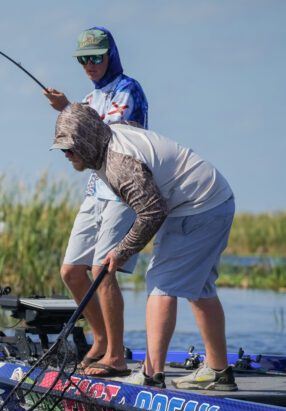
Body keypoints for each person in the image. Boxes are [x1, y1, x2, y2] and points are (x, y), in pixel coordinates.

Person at [51, 103, 237, 391]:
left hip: (197, 206)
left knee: (160, 284)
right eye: (62, 148)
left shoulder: (119, 166)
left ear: (88, 141)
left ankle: (151, 375)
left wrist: (121, 251)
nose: (66, 154)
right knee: (201, 289)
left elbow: (152, 212)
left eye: (70, 147)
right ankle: (218, 371)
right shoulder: (109, 135)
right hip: (214, 198)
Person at [43, 27, 148, 377]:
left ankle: (116, 356)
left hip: (123, 190)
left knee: (103, 270)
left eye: (95, 57)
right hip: (95, 189)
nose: (89, 64)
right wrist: (67, 119)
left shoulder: (128, 89)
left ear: (110, 55)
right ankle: (101, 340)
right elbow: (82, 143)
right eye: (83, 59)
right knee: (72, 271)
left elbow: (109, 134)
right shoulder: (90, 98)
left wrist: (68, 108)